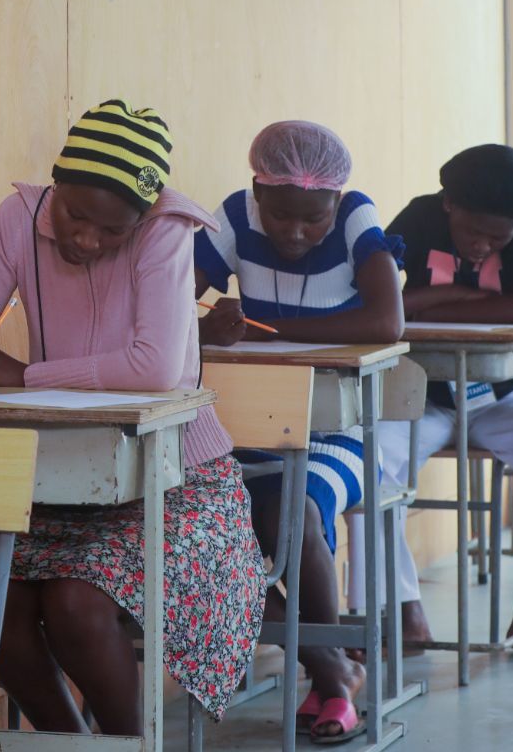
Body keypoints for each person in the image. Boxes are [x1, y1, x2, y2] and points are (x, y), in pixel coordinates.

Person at [0, 101, 264, 737]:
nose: (86, 239)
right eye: (75, 215)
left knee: (76, 603)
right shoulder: (18, 217)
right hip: (61, 480)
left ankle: (130, 743)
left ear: (144, 216)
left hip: (181, 481)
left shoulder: (168, 228)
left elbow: (157, 368)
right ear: (56, 183)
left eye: (112, 232)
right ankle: (71, 744)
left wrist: (29, 374)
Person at [349, 143, 513, 665]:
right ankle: (403, 611)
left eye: (501, 238)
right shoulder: (419, 219)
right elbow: (378, 303)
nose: (486, 246)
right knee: (364, 466)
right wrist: (470, 300)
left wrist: (427, 300)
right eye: (475, 233)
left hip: (502, 399)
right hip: (422, 396)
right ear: (449, 205)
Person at [195, 120, 404, 744]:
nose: (294, 231)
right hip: (244, 427)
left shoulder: (357, 218)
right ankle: (332, 667)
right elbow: (172, 303)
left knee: (292, 512)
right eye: (280, 214)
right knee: (207, 526)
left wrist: (263, 328)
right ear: (257, 192)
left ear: (335, 202)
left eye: (311, 219)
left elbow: (386, 322)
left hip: (335, 428)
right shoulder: (234, 216)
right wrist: (208, 329)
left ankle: (332, 684)